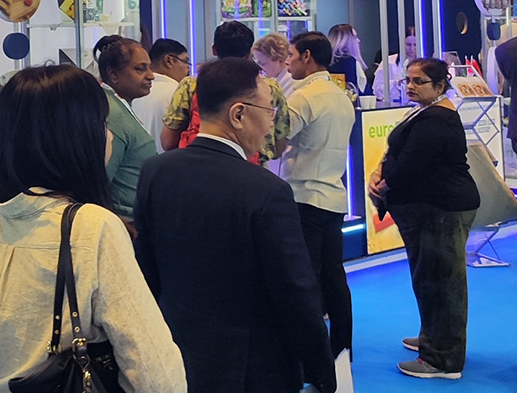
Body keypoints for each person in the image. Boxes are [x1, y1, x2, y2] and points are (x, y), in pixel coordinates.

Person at [0, 64, 187, 393]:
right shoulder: (92, 228)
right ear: (73, 137)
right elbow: (153, 369)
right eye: (102, 124)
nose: (109, 135)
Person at [134, 58, 336, 393]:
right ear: (238, 114)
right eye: (269, 111)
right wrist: (322, 372)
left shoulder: (155, 171)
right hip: (250, 366)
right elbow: (295, 291)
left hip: (174, 351)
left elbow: (146, 267)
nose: (271, 124)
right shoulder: (266, 191)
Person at [368, 58, 479, 380]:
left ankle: (443, 359)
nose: (410, 86)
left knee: (441, 282)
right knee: (429, 278)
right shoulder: (426, 112)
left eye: (419, 81)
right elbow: (397, 155)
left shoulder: (438, 118)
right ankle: (433, 337)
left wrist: (384, 184)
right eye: (408, 80)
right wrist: (380, 173)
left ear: (440, 85)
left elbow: (411, 163)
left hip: (440, 208)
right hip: (430, 208)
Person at [284, 31, 355, 359]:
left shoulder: (304, 97)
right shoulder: (340, 96)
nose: (288, 62)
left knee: (307, 279)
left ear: (307, 56)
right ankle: (341, 348)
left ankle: (311, 356)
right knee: (334, 277)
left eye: (291, 55)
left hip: (305, 197)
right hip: (333, 197)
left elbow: (276, 138)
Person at [161, 21, 290, 162]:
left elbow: (168, 142)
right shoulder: (268, 87)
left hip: (198, 165)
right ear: (249, 52)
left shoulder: (191, 85)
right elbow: (279, 147)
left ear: (214, 49)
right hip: (251, 168)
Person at [93, 36, 157, 221]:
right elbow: (98, 185)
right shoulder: (112, 115)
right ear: (114, 75)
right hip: (126, 223)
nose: (151, 75)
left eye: (149, 67)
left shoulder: (117, 105)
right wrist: (118, 224)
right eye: (140, 69)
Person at [132, 38, 188, 152]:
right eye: (185, 61)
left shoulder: (135, 93)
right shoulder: (180, 94)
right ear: (169, 61)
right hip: (169, 160)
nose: (188, 68)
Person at [373, 29, 419, 106]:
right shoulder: (388, 62)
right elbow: (377, 90)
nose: (412, 49)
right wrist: (396, 83)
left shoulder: (424, 64)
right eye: (408, 45)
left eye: (415, 45)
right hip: (393, 106)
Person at [327, 24, 368, 96]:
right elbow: (355, 91)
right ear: (346, 40)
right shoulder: (349, 61)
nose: (358, 40)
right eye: (355, 37)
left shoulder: (323, 61)